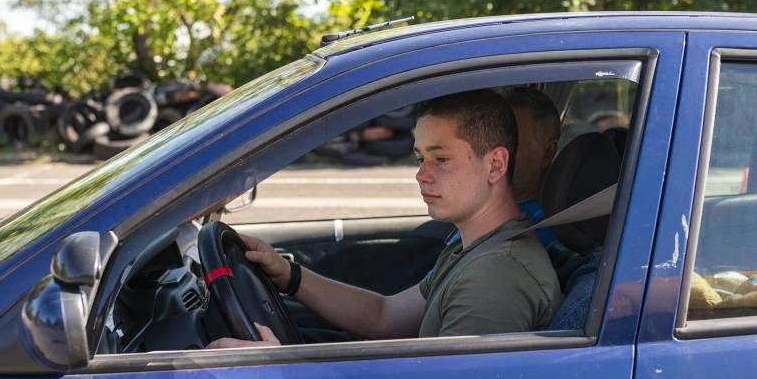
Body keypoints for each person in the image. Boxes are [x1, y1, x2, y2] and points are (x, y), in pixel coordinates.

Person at [209, 90, 561, 348]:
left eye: (440, 159)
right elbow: (385, 316)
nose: (422, 175)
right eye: (420, 158)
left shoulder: (496, 277)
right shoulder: (479, 248)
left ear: (496, 165)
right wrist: (291, 276)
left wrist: (276, 370)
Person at [500, 87, 560, 248]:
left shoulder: (538, 233)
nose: (493, 155)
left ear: (547, 153)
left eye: (510, 144)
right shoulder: (492, 214)